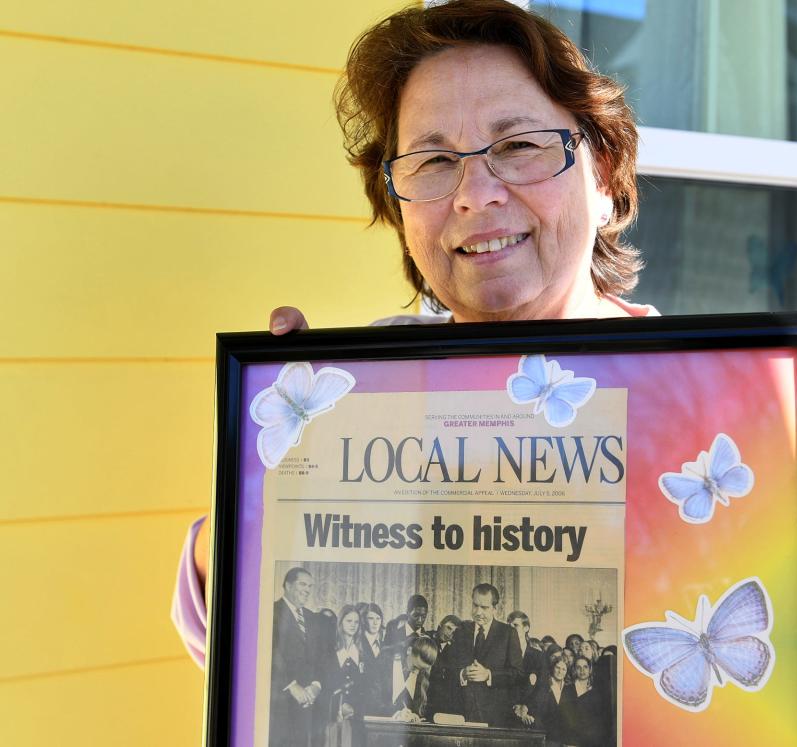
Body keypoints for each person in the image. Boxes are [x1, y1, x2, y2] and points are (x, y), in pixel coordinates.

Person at [172, 0, 654, 669]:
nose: (474, 193)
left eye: (517, 146)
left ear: (601, 174)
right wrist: (266, 479)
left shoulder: (723, 405)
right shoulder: (357, 393)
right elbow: (223, 640)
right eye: (431, 161)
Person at [434, 583, 523, 726]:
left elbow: (518, 674)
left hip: (495, 717)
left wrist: (489, 675)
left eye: (484, 607)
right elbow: (445, 668)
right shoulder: (460, 631)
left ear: (495, 608)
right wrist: (462, 673)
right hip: (461, 715)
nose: (478, 612)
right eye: (475, 605)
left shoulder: (508, 633)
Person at [269, 567, 335, 747]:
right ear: (288, 585)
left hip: (309, 704)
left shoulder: (314, 619)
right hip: (281, 703)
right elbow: (271, 653)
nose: (307, 590)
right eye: (302, 584)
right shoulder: (270, 612)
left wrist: (316, 685)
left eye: (310, 586)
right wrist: (291, 686)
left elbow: (323, 657)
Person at [320, 605, 369, 745]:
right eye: (349, 621)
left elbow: (365, 688)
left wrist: (354, 707)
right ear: (340, 622)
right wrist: (338, 707)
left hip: (356, 718)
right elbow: (325, 685)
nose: (353, 625)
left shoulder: (362, 653)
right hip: (332, 717)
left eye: (356, 622)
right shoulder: (330, 651)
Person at [516, 653, 576, 747]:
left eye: (563, 669)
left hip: (563, 737)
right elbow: (531, 704)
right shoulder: (543, 685)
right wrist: (525, 714)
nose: (560, 671)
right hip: (545, 736)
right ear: (552, 668)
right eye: (557, 668)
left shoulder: (569, 688)